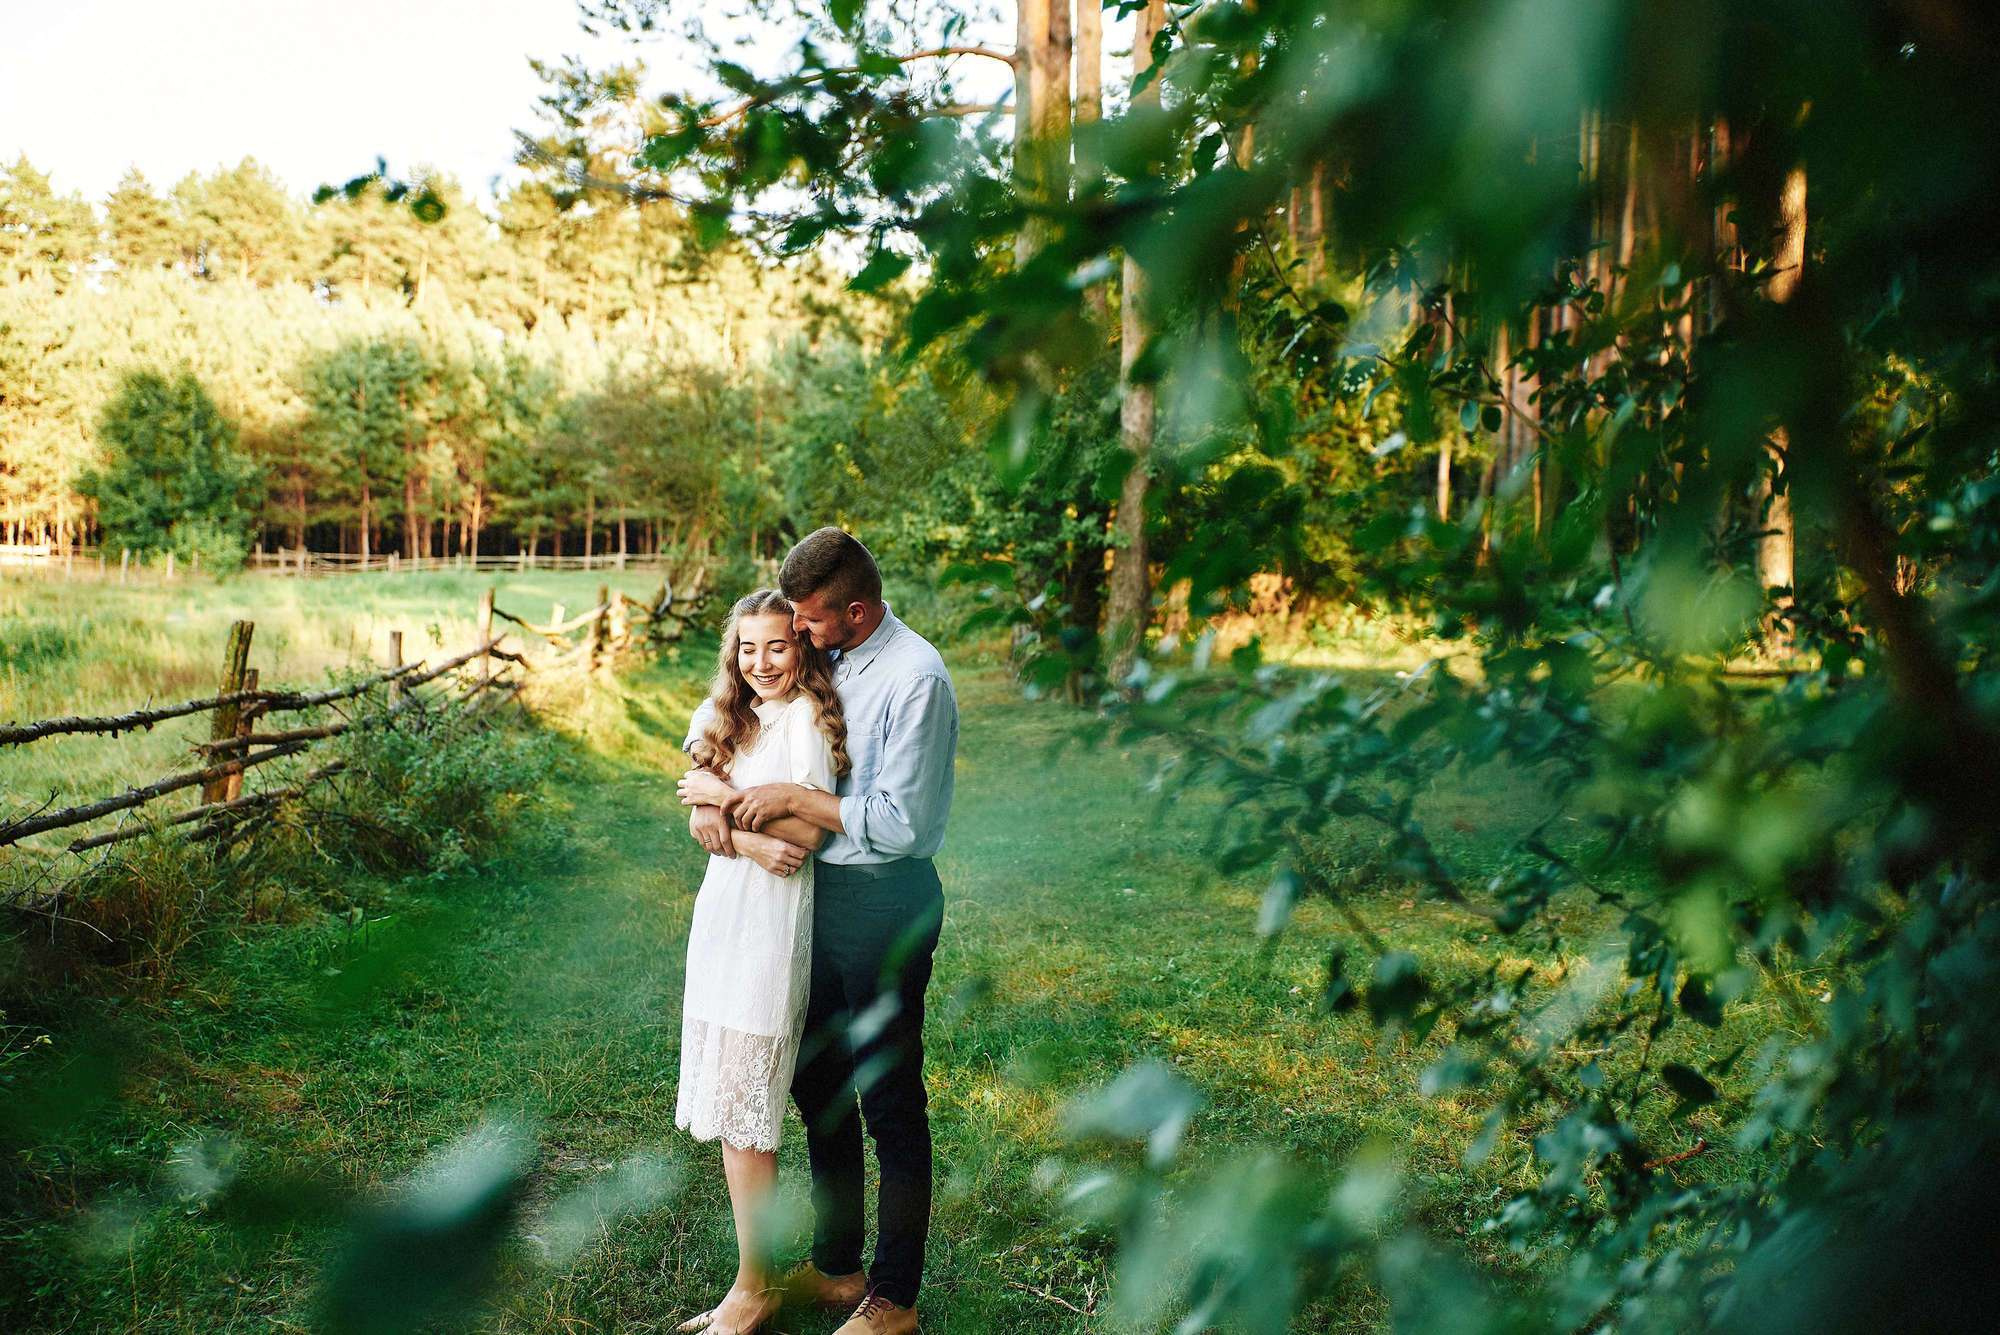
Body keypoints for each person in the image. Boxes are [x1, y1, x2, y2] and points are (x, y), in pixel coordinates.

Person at [679, 527, 958, 1335]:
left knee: (889, 1100)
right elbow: (738, 709)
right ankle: (839, 1268)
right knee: (818, 1085)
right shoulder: (820, 658)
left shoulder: (917, 678)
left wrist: (795, 805)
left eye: (807, 621)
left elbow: (901, 823)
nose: (795, 634)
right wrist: (710, 786)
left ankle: (894, 1299)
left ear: (857, 611)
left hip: (883, 900)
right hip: (812, 902)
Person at [672, 588, 848, 1335]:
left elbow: (805, 836)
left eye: (777, 645)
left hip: (773, 926)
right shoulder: (726, 713)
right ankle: (757, 1277)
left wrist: (725, 797)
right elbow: (695, 810)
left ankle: (754, 1286)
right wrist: (739, 828)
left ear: (800, 647)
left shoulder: (806, 719)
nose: (762, 662)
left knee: (751, 1114)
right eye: (748, 648)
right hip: (723, 917)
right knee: (733, 1108)